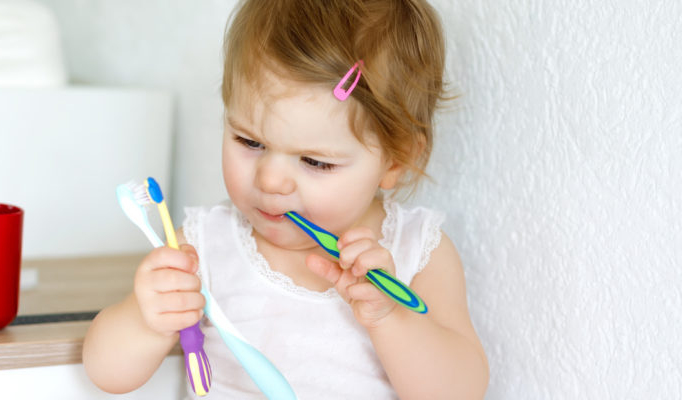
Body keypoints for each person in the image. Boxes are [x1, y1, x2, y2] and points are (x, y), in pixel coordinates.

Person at [83, 0, 489, 398]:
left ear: (396, 160)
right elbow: (106, 373)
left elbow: (460, 391)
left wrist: (389, 317)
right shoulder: (205, 243)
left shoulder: (417, 251)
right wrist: (145, 320)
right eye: (249, 141)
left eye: (315, 161)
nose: (271, 180)